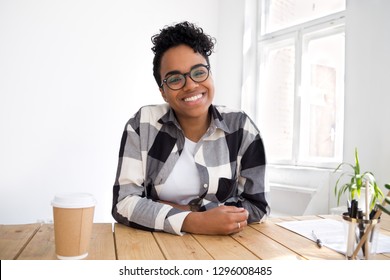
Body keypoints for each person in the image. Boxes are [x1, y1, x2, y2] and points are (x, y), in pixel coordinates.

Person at [112, 21, 270, 236]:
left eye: (198, 72)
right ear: (163, 92)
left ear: (210, 75)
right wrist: (195, 221)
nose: (190, 85)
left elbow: (258, 207)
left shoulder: (241, 127)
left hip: (224, 248)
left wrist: (183, 210)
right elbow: (124, 204)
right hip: (154, 245)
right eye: (175, 79)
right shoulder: (142, 125)